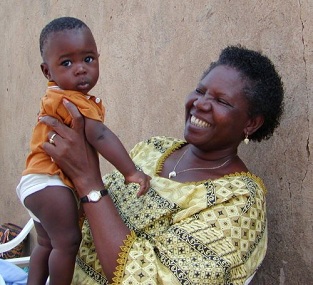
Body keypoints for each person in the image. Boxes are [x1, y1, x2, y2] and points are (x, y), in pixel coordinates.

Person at [40, 45, 284, 284]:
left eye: (222, 101)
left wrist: (87, 181)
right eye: (200, 91)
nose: (201, 104)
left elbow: (150, 278)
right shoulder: (153, 148)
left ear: (251, 123)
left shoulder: (238, 199)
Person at [16, 17, 150, 285]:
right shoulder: (71, 100)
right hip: (50, 182)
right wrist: (131, 171)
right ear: (47, 72)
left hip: (34, 183)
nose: (80, 70)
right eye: (66, 63)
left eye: (88, 59)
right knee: (67, 243)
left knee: (46, 244)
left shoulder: (55, 97)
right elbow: (99, 135)